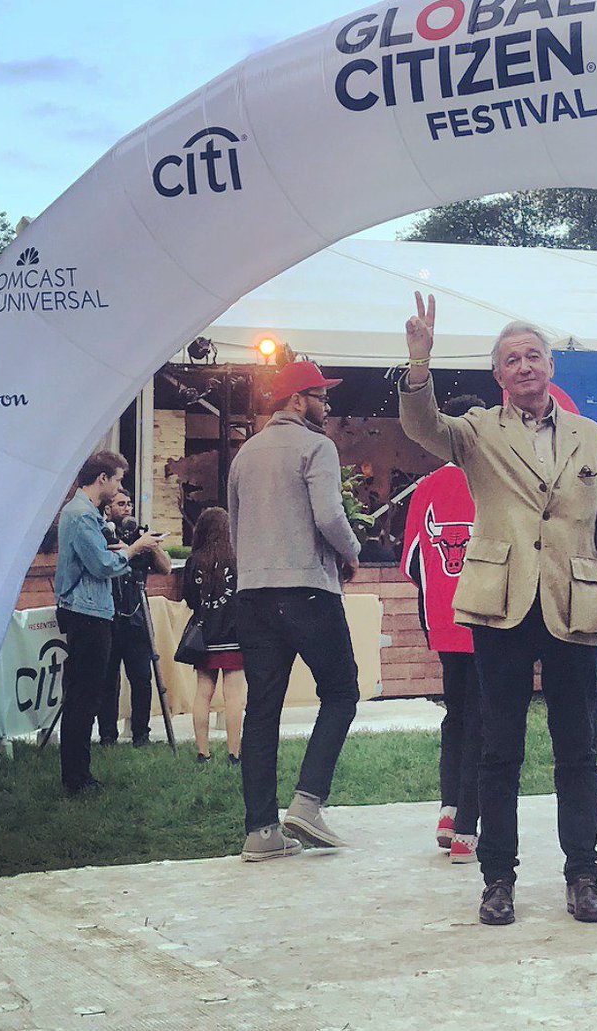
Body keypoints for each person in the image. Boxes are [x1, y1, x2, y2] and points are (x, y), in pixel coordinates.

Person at [399, 296, 597, 927]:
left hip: (574, 604)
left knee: (578, 748)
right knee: (497, 748)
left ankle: (583, 875)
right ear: (497, 376)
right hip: (501, 606)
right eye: (512, 359)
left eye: (534, 355)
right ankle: (497, 880)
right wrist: (419, 363)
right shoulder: (476, 431)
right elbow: (423, 427)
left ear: (551, 365)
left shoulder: (593, 437)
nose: (525, 366)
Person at [228, 359, 363, 862]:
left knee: (262, 708)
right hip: (307, 588)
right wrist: (351, 552)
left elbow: (236, 527)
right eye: (320, 397)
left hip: (254, 592)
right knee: (342, 691)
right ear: (295, 400)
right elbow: (329, 514)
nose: (327, 406)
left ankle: (260, 830)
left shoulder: (245, 455)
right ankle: (308, 801)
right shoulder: (316, 446)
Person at [402, 394, 485, 864]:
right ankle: (467, 834)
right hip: (491, 620)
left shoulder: (427, 488)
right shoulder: (493, 483)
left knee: (456, 714)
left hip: (444, 622)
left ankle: (449, 811)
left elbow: (413, 563)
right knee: (484, 720)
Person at [54, 451, 162, 795]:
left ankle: (79, 774)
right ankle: (77, 778)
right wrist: (134, 549)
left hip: (92, 610)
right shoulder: (81, 516)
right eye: (117, 479)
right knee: (85, 696)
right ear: (102, 478)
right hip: (86, 613)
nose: (119, 487)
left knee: (87, 693)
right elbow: (101, 565)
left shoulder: (86, 515)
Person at [96, 488, 172, 748]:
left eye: (129, 504)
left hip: (137, 618)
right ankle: (107, 735)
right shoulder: (101, 535)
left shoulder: (140, 536)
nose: (127, 508)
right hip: (109, 616)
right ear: (108, 509)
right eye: (120, 504)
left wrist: (150, 546)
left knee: (141, 678)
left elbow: (166, 568)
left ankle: (141, 734)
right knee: (108, 679)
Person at [182, 507, 246, 766]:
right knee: (234, 697)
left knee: (202, 694)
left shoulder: (195, 560)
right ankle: (234, 754)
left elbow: (188, 596)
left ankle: (203, 752)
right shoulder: (236, 558)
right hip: (234, 634)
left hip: (204, 635)